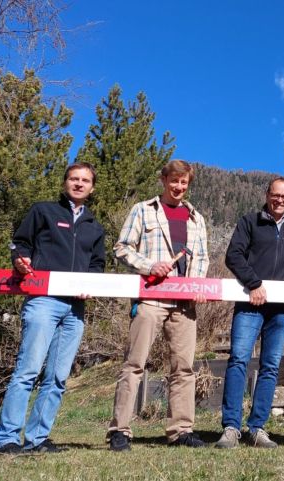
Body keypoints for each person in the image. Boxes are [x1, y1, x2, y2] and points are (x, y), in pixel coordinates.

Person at [0, 162, 105, 454]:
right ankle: (7, 439)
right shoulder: (43, 211)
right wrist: (21, 260)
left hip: (75, 309)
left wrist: (90, 284)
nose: (79, 184)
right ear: (65, 182)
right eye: (74, 179)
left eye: (85, 180)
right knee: (27, 371)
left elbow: (97, 264)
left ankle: (37, 439)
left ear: (92, 188)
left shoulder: (95, 226)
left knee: (57, 377)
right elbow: (20, 244)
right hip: (42, 301)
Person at [107, 160, 209, 451]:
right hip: (150, 298)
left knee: (184, 368)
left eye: (184, 183)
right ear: (164, 180)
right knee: (134, 364)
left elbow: (201, 258)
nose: (178, 187)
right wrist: (150, 265)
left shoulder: (196, 218)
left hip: (184, 304)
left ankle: (181, 430)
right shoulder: (142, 210)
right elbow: (122, 247)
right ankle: (120, 431)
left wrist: (195, 285)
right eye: (174, 181)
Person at [215, 176, 284, 449]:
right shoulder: (250, 221)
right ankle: (231, 428)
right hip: (250, 304)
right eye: (276, 195)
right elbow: (234, 255)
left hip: (281, 310)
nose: (280, 200)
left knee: (270, 367)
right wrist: (254, 284)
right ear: (267, 194)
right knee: (238, 360)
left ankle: (257, 428)